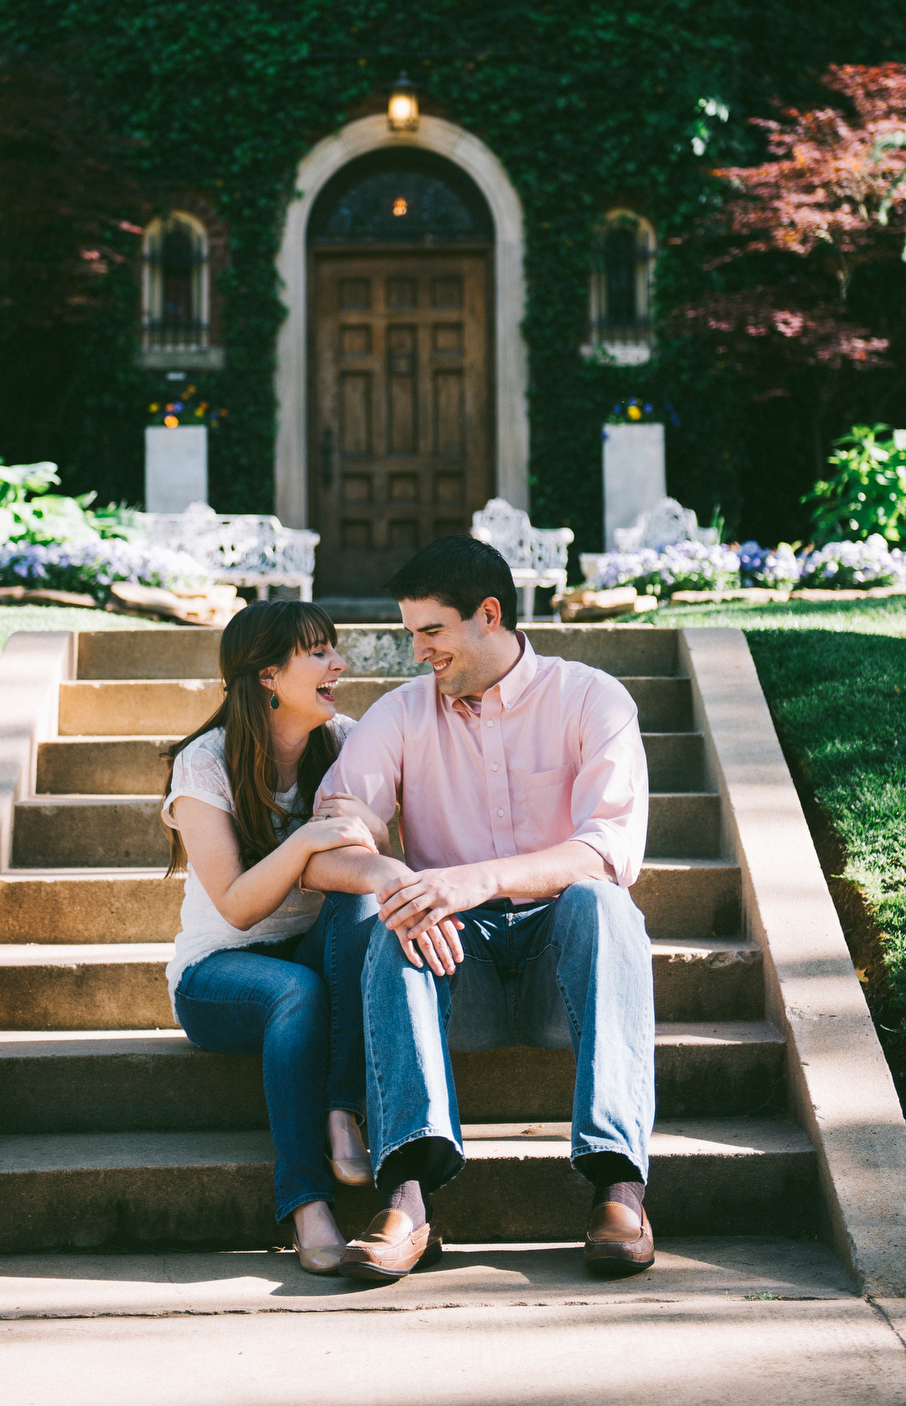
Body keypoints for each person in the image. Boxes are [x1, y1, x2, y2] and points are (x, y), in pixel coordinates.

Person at [304, 534, 655, 1284]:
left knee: (606, 906)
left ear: (488, 615)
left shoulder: (592, 699)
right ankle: (407, 1200)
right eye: (411, 635)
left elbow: (607, 850)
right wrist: (399, 878)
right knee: (393, 920)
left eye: (431, 632)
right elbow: (326, 843)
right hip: (452, 967)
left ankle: (619, 1188)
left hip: (563, 966)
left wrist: (471, 880)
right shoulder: (399, 716)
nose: (418, 652)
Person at [160, 599, 390, 1274]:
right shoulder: (204, 763)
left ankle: (342, 1109)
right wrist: (312, 839)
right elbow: (235, 906)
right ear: (267, 674)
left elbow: (379, 851)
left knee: (361, 901)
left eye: (332, 650)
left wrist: (365, 829)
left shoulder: (344, 741)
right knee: (296, 991)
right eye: (318, 652)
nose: (337, 664)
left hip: (315, 955)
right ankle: (305, 1202)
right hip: (219, 974)